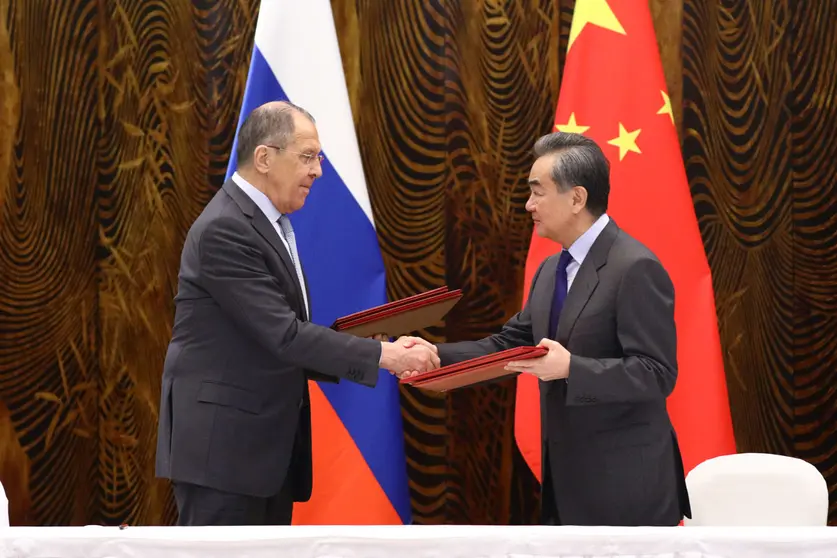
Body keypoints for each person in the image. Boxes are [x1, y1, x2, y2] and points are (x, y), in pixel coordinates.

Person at [155, 101, 438, 526]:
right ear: (264, 158)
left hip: (259, 457)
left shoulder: (267, 222)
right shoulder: (225, 228)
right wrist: (388, 357)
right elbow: (284, 335)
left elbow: (276, 336)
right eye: (307, 157)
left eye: (319, 158)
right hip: (225, 458)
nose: (318, 171)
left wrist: (367, 345)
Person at [419, 132, 691, 526]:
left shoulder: (634, 267)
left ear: (577, 198)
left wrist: (571, 369)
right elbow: (509, 343)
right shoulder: (551, 270)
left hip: (628, 489)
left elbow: (657, 373)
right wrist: (433, 355)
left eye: (537, 192)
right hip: (567, 483)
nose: (528, 205)